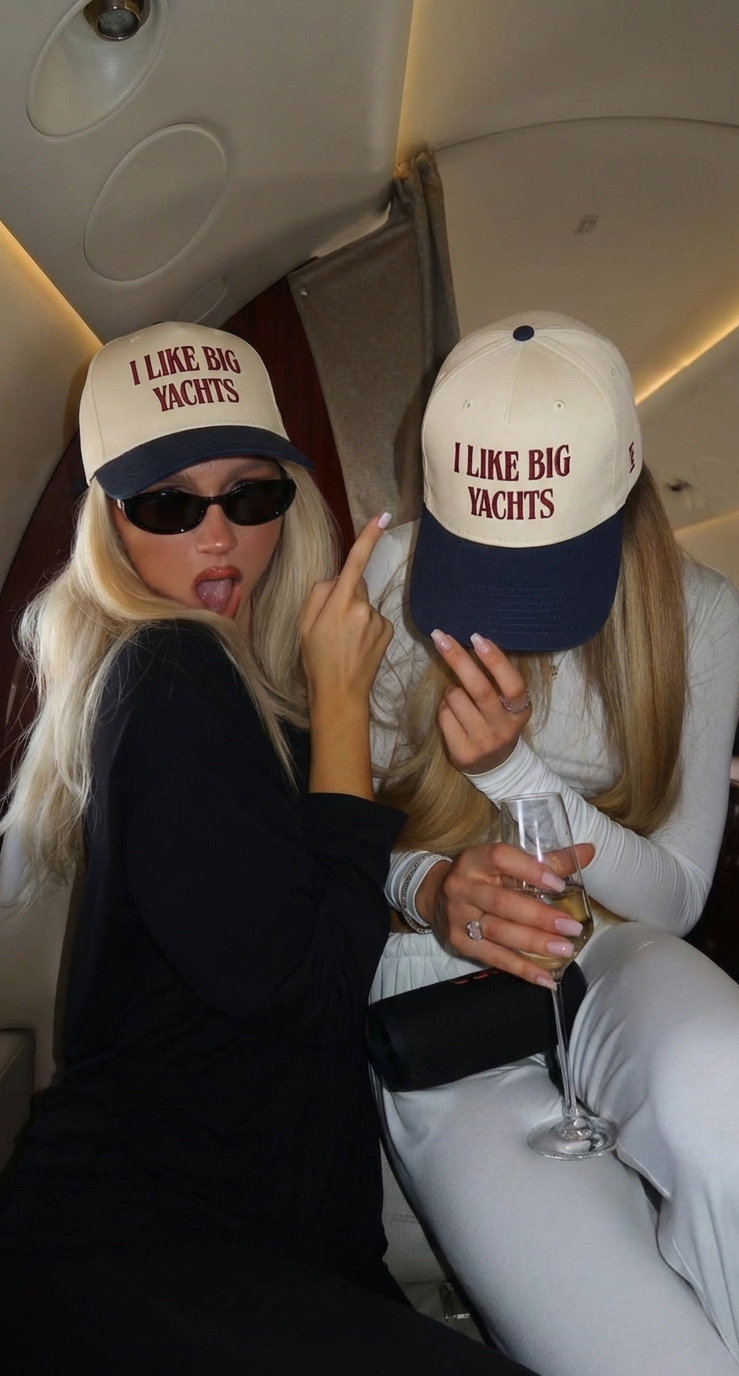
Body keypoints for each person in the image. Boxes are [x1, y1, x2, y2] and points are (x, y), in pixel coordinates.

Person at [0, 323, 537, 1375]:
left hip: (264, 1223)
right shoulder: (169, 674)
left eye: (251, 495)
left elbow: (294, 902)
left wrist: (431, 887)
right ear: (109, 520)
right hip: (144, 1234)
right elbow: (314, 987)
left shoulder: (246, 684)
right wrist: (343, 701)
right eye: (170, 503)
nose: (219, 536)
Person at [364, 313, 739, 1376]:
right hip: (436, 975)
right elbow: (339, 838)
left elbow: (673, 894)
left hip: (614, 941)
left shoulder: (700, 609)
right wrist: (432, 883)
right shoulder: (390, 575)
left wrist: (517, 776)